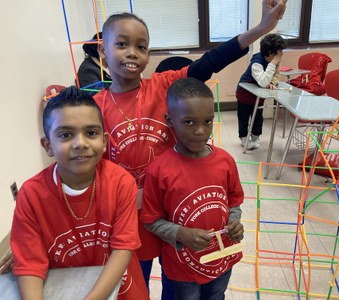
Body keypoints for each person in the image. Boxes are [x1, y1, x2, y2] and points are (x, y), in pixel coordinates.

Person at [93, 1, 286, 298]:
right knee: (136, 287)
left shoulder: (163, 86)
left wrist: (259, 30)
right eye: (121, 44)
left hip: (180, 214)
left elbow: (209, 62)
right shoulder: (95, 109)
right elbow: (90, 171)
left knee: (180, 283)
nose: (132, 53)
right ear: (103, 51)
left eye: (141, 47)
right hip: (133, 219)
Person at [10, 86, 149, 300]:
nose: (80, 144)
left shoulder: (121, 182)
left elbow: (123, 248)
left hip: (123, 291)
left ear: (104, 141)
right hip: (64, 291)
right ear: (47, 146)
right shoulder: (31, 195)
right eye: (65, 135)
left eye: (91, 133)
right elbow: (29, 264)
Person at [141, 77, 245, 300]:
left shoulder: (226, 161)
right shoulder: (159, 170)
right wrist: (180, 233)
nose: (200, 131)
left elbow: (234, 201)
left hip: (221, 259)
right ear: (170, 121)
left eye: (207, 121)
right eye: (189, 122)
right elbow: (151, 220)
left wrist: (234, 222)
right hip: (183, 268)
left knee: (217, 295)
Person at [236, 33, 287, 150]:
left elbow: (276, 75)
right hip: (245, 93)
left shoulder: (276, 62)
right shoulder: (257, 62)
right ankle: (244, 138)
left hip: (259, 94)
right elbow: (263, 82)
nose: (282, 54)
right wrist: (273, 64)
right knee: (244, 117)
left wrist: (273, 82)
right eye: (280, 52)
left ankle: (255, 137)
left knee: (258, 117)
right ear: (271, 53)